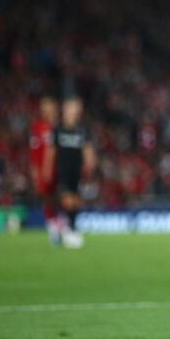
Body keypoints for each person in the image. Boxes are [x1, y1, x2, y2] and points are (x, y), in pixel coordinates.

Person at [51, 97, 97, 248]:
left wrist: (90, 163)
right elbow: (52, 150)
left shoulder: (82, 129)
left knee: (76, 200)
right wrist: (48, 168)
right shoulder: (58, 129)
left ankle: (70, 227)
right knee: (66, 199)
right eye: (72, 108)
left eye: (77, 109)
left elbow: (88, 149)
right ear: (65, 110)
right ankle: (69, 229)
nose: (75, 112)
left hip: (77, 169)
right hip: (63, 168)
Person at [29, 96, 61, 243]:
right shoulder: (37, 127)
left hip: (60, 168)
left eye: (49, 107)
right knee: (48, 198)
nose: (47, 110)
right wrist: (36, 171)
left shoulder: (59, 126)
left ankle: (62, 225)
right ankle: (52, 227)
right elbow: (34, 152)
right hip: (44, 169)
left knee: (61, 197)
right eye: (44, 107)